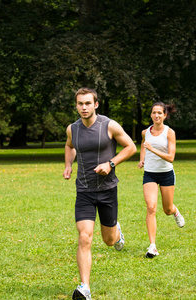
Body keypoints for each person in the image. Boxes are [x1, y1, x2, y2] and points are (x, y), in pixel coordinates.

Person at [63, 87, 137, 300]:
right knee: (84, 237)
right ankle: (84, 288)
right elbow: (69, 146)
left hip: (107, 190)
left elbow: (130, 147)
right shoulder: (72, 129)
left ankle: (116, 231)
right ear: (76, 105)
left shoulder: (109, 125)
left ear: (96, 104)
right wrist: (68, 164)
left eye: (88, 103)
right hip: (84, 190)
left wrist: (110, 163)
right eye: (80, 104)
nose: (84, 107)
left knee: (108, 240)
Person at [138, 102, 185, 258]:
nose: (156, 115)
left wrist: (153, 149)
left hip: (166, 174)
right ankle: (152, 247)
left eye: (159, 113)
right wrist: (142, 159)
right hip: (149, 174)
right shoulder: (145, 132)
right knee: (151, 207)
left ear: (165, 115)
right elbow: (144, 146)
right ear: (151, 114)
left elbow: (171, 158)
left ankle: (175, 211)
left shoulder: (169, 133)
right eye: (153, 112)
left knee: (166, 210)